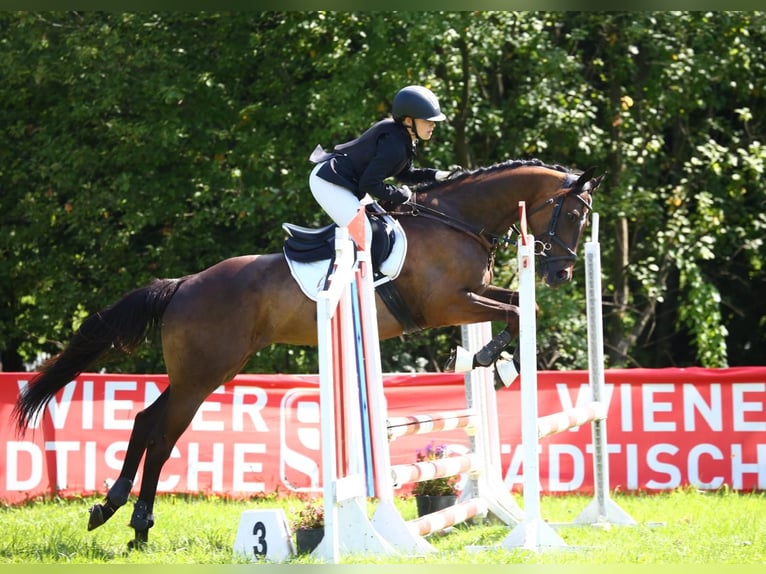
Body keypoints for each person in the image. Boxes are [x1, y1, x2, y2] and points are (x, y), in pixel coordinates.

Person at [308, 85, 452, 264]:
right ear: (408, 121)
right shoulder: (395, 145)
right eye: (427, 120)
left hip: (347, 183)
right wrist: (401, 195)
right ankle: (340, 287)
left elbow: (404, 174)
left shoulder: (403, 137)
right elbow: (369, 184)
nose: (433, 124)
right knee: (367, 235)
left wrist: (435, 175)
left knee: (386, 226)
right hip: (328, 183)